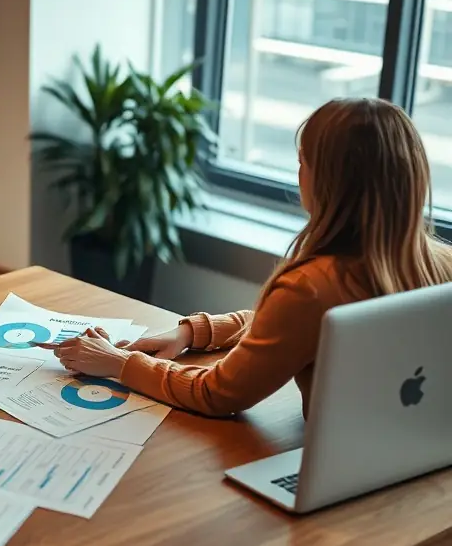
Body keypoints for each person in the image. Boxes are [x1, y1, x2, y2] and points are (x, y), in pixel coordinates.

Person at [44, 97, 452, 420]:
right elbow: (287, 324)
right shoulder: (440, 264)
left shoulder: (310, 287)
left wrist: (118, 362)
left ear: (325, 181)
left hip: (336, 469)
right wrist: (194, 333)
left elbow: (216, 394)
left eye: (302, 163)